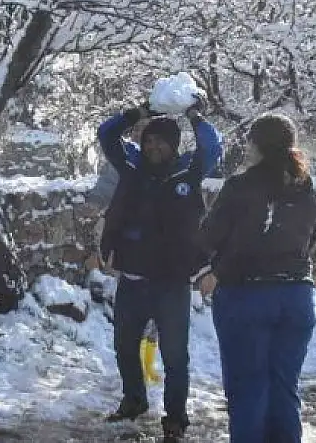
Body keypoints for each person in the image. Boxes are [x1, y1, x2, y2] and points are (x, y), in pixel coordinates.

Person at [97, 97, 223, 442]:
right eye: (147, 140)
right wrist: (139, 114)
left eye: (160, 141)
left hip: (172, 281)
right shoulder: (133, 167)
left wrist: (194, 116)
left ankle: (175, 418)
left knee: (174, 356)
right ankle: (134, 399)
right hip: (134, 278)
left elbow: (213, 147)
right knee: (124, 345)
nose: (152, 146)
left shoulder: (189, 170)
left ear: (173, 144)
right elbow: (106, 135)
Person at [197, 114, 316, 443]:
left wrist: (216, 270)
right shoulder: (307, 190)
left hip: (248, 296)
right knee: (285, 387)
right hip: (298, 296)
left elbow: (213, 236)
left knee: (248, 387)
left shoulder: (242, 186)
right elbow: (308, 241)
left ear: (256, 144)